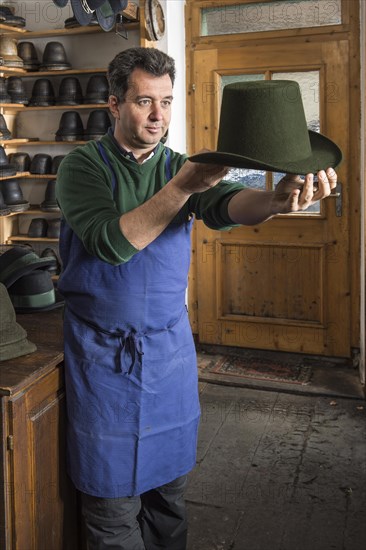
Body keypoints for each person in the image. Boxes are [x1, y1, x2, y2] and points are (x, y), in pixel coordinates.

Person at [55, 47, 337, 550]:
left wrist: (275, 201)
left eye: (166, 102)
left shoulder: (183, 166)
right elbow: (110, 243)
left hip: (167, 354)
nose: (159, 116)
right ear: (114, 105)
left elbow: (229, 203)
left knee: (169, 497)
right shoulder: (82, 168)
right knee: (110, 503)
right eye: (145, 102)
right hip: (103, 359)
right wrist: (181, 188)